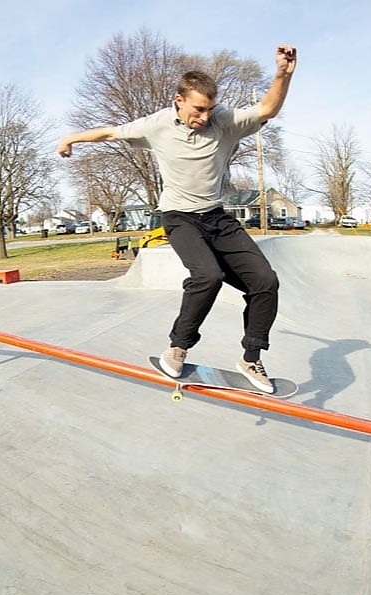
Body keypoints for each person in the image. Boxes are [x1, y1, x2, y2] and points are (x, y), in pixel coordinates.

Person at [58, 44, 297, 393]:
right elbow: (110, 132)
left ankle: (250, 358)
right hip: (179, 218)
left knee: (266, 282)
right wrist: (71, 138)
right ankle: (178, 347)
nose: (204, 117)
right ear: (179, 100)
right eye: (198, 109)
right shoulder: (156, 125)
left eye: (210, 109)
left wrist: (282, 75)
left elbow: (268, 108)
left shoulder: (224, 121)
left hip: (217, 218)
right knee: (208, 276)